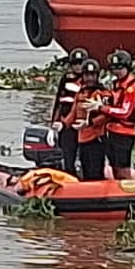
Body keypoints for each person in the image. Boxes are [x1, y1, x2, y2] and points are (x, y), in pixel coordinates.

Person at [86, 49, 135, 180]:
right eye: (114, 68)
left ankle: (126, 190)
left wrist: (102, 108)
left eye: (120, 68)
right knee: (114, 164)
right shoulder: (117, 84)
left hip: (125, 132)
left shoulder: (132, 88)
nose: (116, 71)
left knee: (122, 166)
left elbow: (124, 112)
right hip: (112, 130)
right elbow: (113, 99)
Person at [63, 58, 111, 181]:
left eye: (92, 75)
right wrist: (63, 124)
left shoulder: (103, 94)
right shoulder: (81, 93)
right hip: (82, 138)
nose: (90, 78)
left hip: (96, 139)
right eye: (87, 75)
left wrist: (90, 123)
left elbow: (106, 116)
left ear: (97, 76)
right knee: (85, 169)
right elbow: (74, 112)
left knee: (95, 171)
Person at [49, 48, 88, 176]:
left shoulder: (90, 81)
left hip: (83, 124)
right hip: (66, 124)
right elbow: (58, 102)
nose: (78, 67)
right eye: (75, 64)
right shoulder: (66, 79)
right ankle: (69, 176)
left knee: (85, 155)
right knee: (68, 155)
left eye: (80, 63)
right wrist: (53, 123)